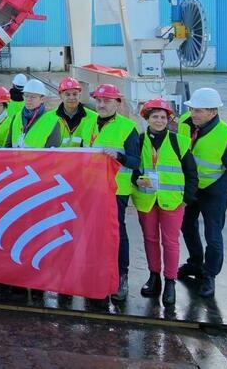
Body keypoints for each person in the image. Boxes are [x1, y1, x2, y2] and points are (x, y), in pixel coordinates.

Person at [177, 87, 227, 299]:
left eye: (199, 110)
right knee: (186, 226)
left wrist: (217, 190)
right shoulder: (185, 123)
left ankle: (209, 275)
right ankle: (195, 263)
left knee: (213, 236)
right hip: (190, 189)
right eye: (192, 109)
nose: (193, 113)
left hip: (213, 192)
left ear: (213, 112)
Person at [132, 99, 197, 306]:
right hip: (146, 199)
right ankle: (154, 277)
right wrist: (135, 179)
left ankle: (170, 282)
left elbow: (191, 173)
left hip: (172, 201)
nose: (159, 121)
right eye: (155, 117)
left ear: (168, 120)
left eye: (163, 117)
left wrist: (187, 199)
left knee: (170, 242)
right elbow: (132, 168)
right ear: (147, 119)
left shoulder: (179, 142)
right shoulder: (139, 140)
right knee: (150, 239)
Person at [90, 83, 141, 302]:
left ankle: (122, 276)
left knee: (117, 232)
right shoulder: (89, 123)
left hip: (116, 190)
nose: (101, 105)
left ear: (117, 103)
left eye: (107, 101)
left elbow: (136, 161)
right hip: (91, 188)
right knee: (95, 232)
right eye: (99, 101)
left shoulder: (128, 127)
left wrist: (118, 157)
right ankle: (97, 274)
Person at [6, 79, 62, 148]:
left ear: (42, 99)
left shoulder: (52, 122)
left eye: (33, 97)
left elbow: (52, 154)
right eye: (26, 96)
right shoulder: (16, 117)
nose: (28, 99)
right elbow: (8, 146)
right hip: (16, 158)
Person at [54, 77, 98, 147]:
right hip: (59, 157)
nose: (71, 98)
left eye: (75, 94)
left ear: (79, 95)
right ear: (60, 96)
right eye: (67, 94)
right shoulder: (50, 117)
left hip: (83, 157)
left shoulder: (94, 118)